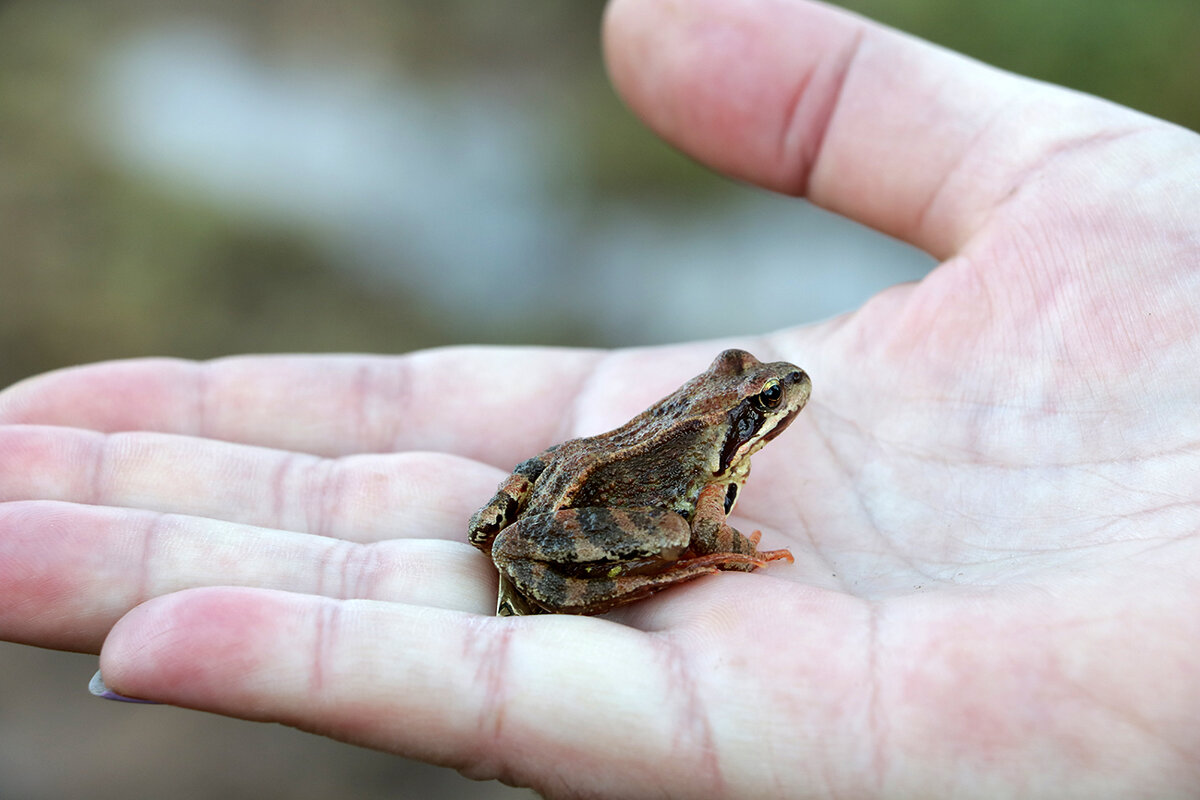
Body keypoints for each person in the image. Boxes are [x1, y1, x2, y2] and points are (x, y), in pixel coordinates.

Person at [2, 0, 1197, 796]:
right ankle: (552, 558)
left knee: (579, 502)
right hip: (600, 505)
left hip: (561, 477)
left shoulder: (715, 415)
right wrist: (716, 549)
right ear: (736, 414)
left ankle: (518, 541)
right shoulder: (712, 460)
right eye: (758, 398)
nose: (771, 400)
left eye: (762, 396)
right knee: (681, 531)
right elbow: (701, 509)